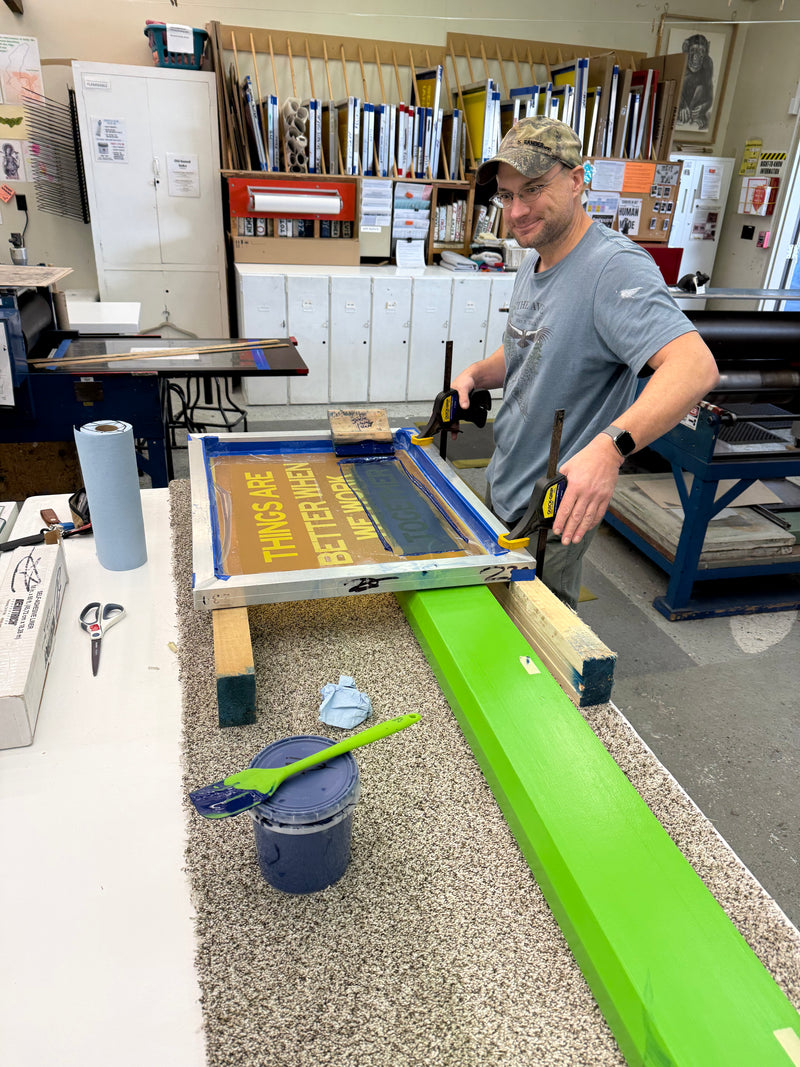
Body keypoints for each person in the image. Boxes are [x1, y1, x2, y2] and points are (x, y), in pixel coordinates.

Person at [450, 116, 719, 609]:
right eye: (507, 196)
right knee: (487, 614)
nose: (517, 210)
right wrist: (477, 373)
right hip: (506, 479)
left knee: (537, 648)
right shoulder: (536, 257)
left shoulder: (613, 267)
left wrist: (610, 449)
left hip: (555, 508)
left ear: (577, 180)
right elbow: (531, 348)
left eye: (532, 189)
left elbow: (695, 367)